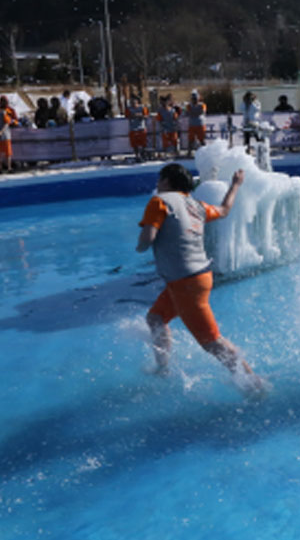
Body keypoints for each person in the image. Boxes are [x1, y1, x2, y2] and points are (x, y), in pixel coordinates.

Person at [137, 163, 265, 393]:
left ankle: (254, 385)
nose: (157, 184)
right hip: (196, 278)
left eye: (160, 179)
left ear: (167, 181)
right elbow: (224, 210)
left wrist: (141, 245)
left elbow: (147, 239)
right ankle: (162, 368)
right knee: (155, 318)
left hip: (185, 283)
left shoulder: (159, 201)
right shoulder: (196, 205)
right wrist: (235, 185)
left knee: (211, 342)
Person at [126, 94, 150, 161]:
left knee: (143, 143)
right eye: (131, 101)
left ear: (137, 101)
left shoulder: (142, 108)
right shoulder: (129, 109)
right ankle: (137, 155)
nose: (133, 102)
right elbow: (127, 116)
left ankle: (143, 154)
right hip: (133, 128)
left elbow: (146, 116)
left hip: (141, 128)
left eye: (134, 101)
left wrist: (141, 116)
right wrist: (133, 116)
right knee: (134, 144)